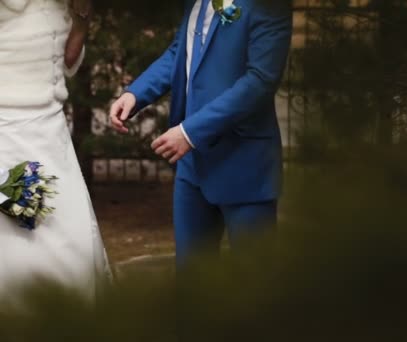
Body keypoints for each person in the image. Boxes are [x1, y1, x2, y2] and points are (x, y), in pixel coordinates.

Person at [109, 0, 292, 264]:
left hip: (244, 164)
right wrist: (136, 93)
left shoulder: (269, 5)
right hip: (192, 168)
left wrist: (190, 132)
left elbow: (260, 82)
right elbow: (179, 52)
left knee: (255, 286)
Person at [0, 0, 111, 307]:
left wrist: (82, 17)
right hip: (8, 136)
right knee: (22, 253)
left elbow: (66, 61)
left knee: (74, 243)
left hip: (53, 136)